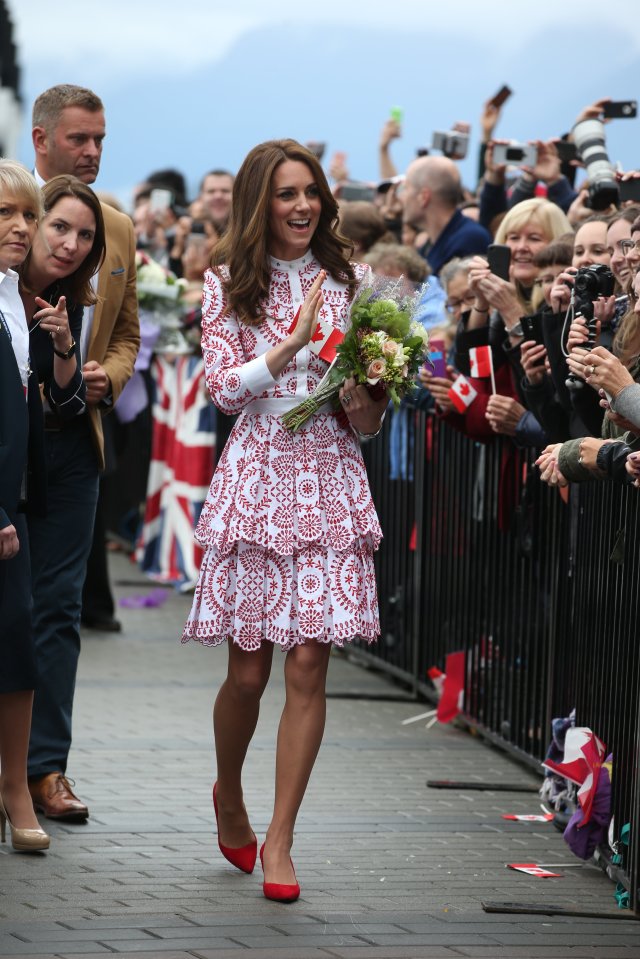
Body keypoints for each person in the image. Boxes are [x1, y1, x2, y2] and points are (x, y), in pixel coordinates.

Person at [181, 139, 387, 902]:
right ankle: (228, 792)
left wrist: (370, 397)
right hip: (256, 473)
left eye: (310, 192)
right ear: (258, 203)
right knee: (247, 671)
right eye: (285, 193)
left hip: (330, 471)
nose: (302, 205)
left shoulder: (355, 282)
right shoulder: (225, 285)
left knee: (307, 660)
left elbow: (367, 419)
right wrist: (290, 345)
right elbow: (222, 391)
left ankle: (281, 836)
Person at [27, 84, 139, 821]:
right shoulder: (10, 208)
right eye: (78, 139)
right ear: (41, 141)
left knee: (60, 610)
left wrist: (111, 374)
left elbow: (126, 331)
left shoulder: (120, 229)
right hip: (13, 437)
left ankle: (46, 768)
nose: (92, 151)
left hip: (75, 439)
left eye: (100, 138)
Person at [0, 159, 49, 853]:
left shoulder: (18, 295)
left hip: (18, 501)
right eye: (4, 214)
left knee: (18, 647)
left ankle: (15, 787)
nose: (19, 226)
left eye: (26, 215)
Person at [400, 155, 491, 275]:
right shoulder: (429, 245)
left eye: (406, 188)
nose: (401, 197)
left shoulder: (469, 241)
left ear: (424, 197)